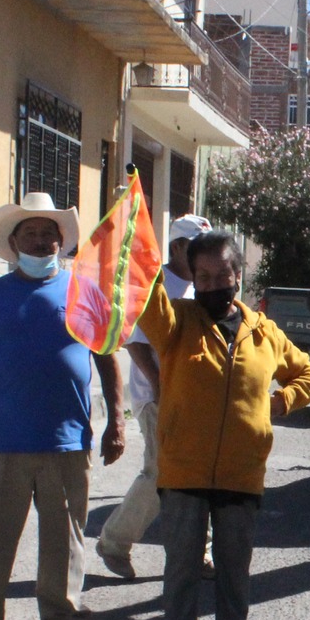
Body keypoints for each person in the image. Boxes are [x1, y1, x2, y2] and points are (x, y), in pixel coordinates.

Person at [133, 230, 310, 620]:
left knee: (234, 573)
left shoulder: (264, 331)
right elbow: (144, 294)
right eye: (204, 276)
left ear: (239, 275)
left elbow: (308, 373)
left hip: (241, 472)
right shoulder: (176, 321)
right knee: (181, 571)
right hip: (184, 470)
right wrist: (137, 237)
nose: (215, 283)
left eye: (223, 274)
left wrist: (280, 403)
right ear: (192, 279)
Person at [0, 192, 126, 620]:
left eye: (51, 233)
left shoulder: (84, 292)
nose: (43, 240)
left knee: (63, 538)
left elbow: (107, 360)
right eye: (32, 232)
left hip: (67, 441)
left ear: (61, 243)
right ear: (13, 242)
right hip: (0, 441)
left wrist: (116, 422)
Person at [96, 212, 208, 580]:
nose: (203, 255)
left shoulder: (202, 286)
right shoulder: (155, 283)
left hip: (195, 395)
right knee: (160, 472)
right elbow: (136, 344)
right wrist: (161, 386)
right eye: (196, 247)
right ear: (177, 247)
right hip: (157, 396)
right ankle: (114, 542)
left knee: (199, 472)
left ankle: (199, 553)